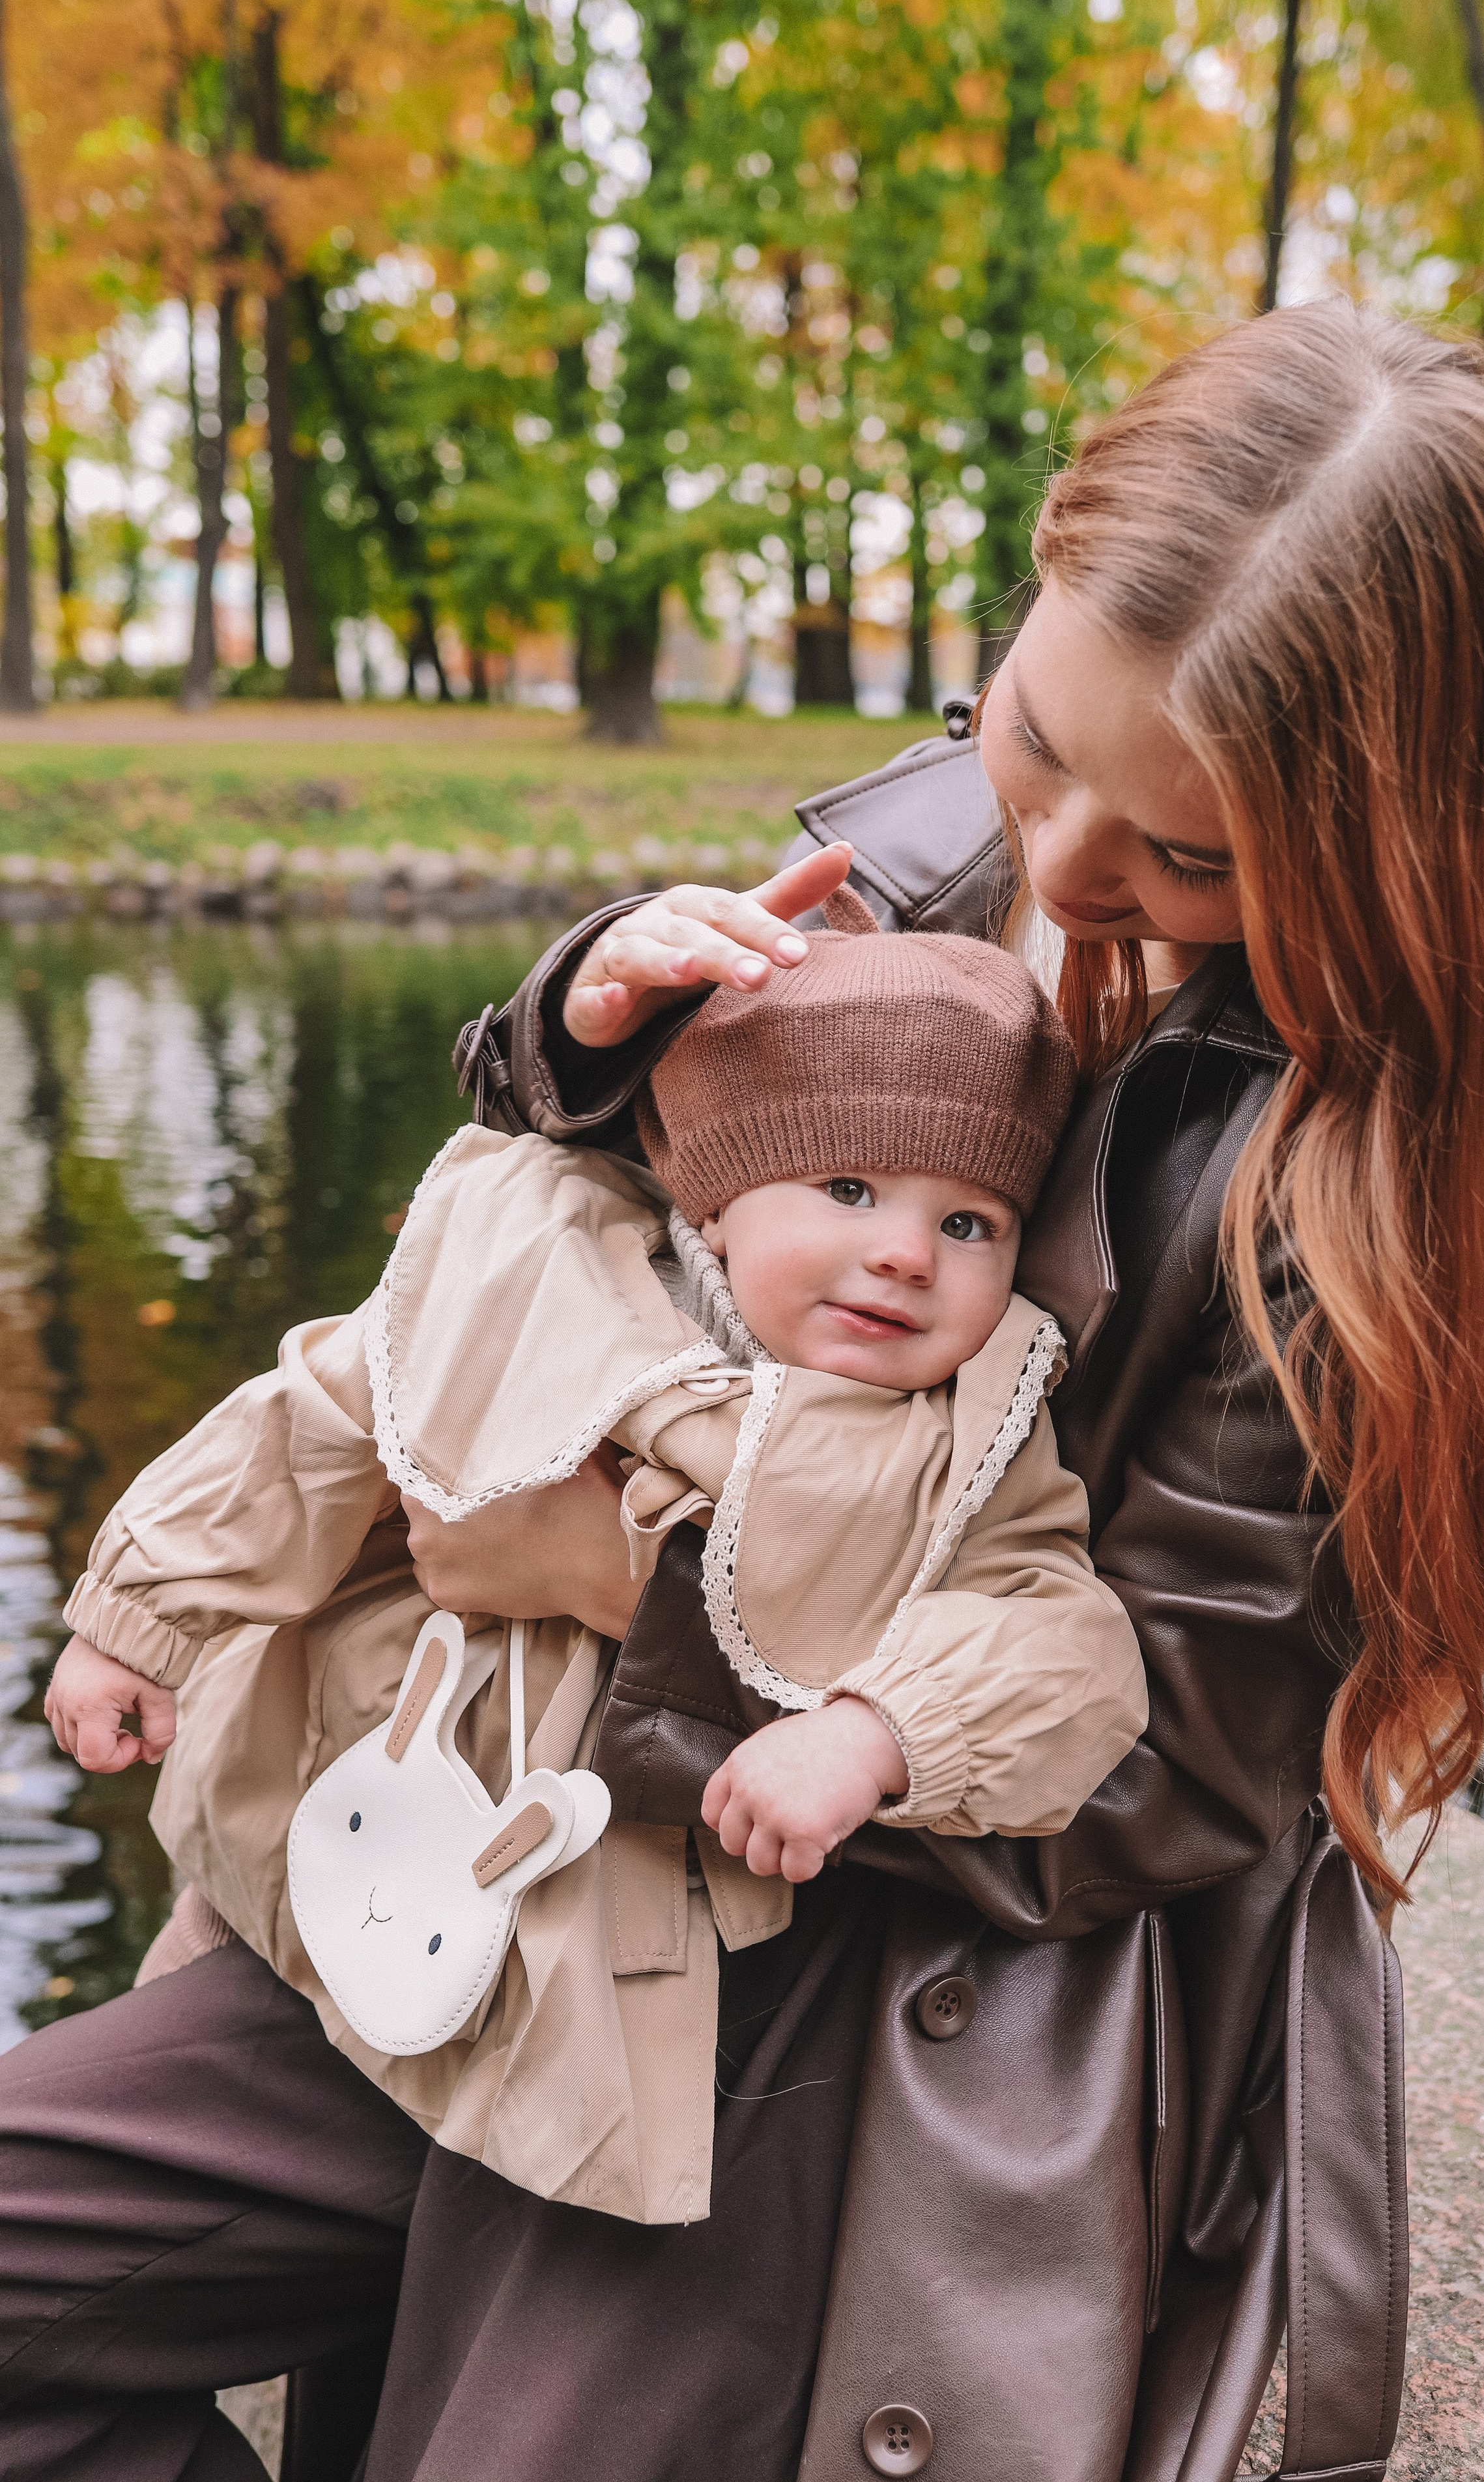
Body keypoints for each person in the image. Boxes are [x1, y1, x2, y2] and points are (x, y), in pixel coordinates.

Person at [0, 302, 1484, 2482]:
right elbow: (666, 1193)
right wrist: (588, 1019)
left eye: (1195, 861)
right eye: (1035, 739)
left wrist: (647, 1599)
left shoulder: (1364, 1197)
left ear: (1403, 849)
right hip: (513, 1834)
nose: (1058, 875)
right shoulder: (960, 842)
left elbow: (1170, 1749)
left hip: (866, 1977)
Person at [36, 898, 1147, 2226]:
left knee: (506, 2164)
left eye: (970, 1223)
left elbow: (1055, 1631)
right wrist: (141, 1609)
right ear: (718, 1204)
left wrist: (876, 1732)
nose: (904, 1252)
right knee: (214, 1967)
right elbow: (318, 1418)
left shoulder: (966, 1435)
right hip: (354, 1764)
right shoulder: (546, 1280)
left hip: (593, 1898)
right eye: (846, 1190)